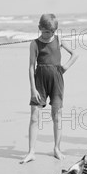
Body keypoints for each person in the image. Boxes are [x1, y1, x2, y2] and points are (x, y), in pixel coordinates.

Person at [21, 14, 78, 163]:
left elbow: (75, 54)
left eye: (52, 32)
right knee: (34, 116)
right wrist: (33, 89)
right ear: (40, 28)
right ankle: (31, 151)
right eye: (46, 32)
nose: (49, 35)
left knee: (57, 116)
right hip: (40, 81)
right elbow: (30, 67)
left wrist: (64, 67)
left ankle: (57, 148)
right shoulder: (34, 44)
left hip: (56, 81)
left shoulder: (59, 40)